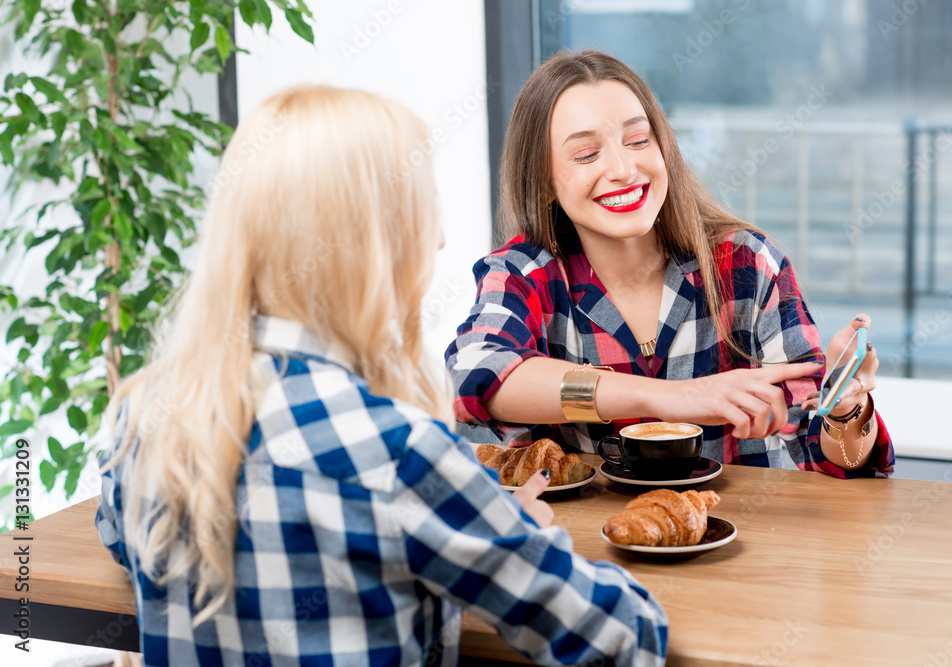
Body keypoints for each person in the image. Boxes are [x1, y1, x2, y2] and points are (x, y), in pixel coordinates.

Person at [95, 85, 668, 666]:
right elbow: (622, 637)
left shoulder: (141, 413)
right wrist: (517, 536)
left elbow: (125, 547)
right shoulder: (400, 451)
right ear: (371, 246)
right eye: (424, 213)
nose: (440, 238)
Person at [445, 50, 894, 478]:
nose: (623, 168)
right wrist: (674, 397)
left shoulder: (748, 265)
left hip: (741, 545)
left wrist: (844, 405)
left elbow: (836, 460)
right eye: (586, 154)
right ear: (543, 182)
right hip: (581, 552)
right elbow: (478, 376)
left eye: (639, 140)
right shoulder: (525, 274)